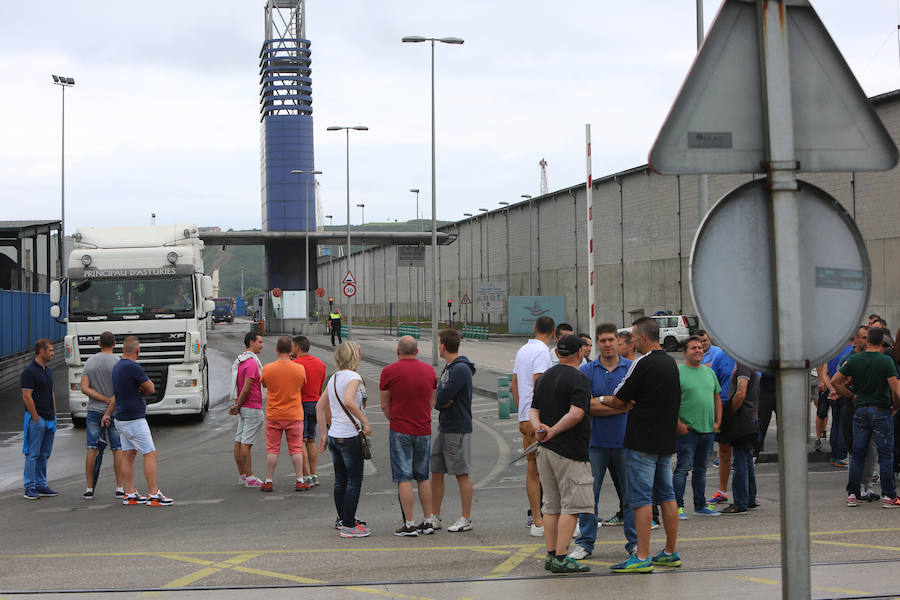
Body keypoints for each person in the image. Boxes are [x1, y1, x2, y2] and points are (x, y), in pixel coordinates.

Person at [604, 317, 682, 573]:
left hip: (641, 442)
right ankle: (670, 551)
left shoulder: (643, 363)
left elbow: (619, 398)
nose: (632, 342)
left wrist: (603, 398)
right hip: (665, 441)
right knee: (667, 496)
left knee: (640, 500)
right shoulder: (671, 363)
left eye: (634, 338)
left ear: (644, 338)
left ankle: (642, 556)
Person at [569, 323, 635, 561]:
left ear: (618, 341)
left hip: (625, 442)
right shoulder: (587, 372)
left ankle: (634, 544)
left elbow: (633, 403)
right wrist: (618, 403)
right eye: (603, 340)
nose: (607, 344)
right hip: (595, 443)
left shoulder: (631, 369)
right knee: (589, 497)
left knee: (630, 496)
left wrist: (602, 402)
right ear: (597, 343)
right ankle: (585, 543)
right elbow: (587, 407)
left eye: (611, 340)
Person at [530, 334, 593, 573]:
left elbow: (532, 410)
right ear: (579, 354)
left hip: (545, 450)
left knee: (551, 505)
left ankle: (550, 553)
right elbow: (577, 413)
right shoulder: (580, 378)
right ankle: (562, 555)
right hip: (571, 451)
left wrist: (540, 429)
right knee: (572, 506)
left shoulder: (545, 378)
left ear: (557, 354)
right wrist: (554, 431)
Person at [832, 327, 900, 507]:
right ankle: (888, 496)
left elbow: (835, 381)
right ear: (882, 343)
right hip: (881, 409)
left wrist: (851, 396)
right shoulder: (886, 362)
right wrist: (896, 406)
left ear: (868, 341)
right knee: (885, 455)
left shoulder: (855, 359)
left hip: (860, 409)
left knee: (857, 453)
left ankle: (853, 494)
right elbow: (895, 389)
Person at [380, 336, 438, 536]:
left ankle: (410, 523)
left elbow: (384, 404)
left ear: (398, 351)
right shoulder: (430, 371)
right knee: (423, 477)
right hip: (424, 429)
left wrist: (394, 419)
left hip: (400, 429)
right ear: (417, 351)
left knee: (404, 477)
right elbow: (432, 401)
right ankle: (428, 520)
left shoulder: (389, 372)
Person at [106, 335, 172, 506]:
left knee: (128, 454)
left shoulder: (118, 367)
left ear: (122, 350)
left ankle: (129, 493)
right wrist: (141, 387)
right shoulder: (133, 367)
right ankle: (153, 494)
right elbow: (150, 388)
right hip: (134, 417)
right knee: (150, 453)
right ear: (137, 351)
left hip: (121, 417)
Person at [317, 341, 372, 537]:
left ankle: (343, 519)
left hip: (334, 435)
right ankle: (349, 525)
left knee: (340, 480)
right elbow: (349, 401)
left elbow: (319, 407)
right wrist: (365, 421)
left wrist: (324, 433)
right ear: (353, 356)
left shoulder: (334, 378)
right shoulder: (353, 376)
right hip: (349, 435)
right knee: (354, 481)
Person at [510, 315, 555, 537]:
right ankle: (540, 520)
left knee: (532, 471)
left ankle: (537, 518)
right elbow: (540, 383)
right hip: (539, 418)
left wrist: (523, 412)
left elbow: (514, 385)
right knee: (545, 471)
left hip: (525, 418)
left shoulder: (522, 351)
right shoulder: (542, 353)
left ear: (535, 328)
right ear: (554, 334)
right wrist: (539, 415)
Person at [431, 329, 476, 533]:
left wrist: (441, 400)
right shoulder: (450, 368)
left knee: (461, 473)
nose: (437, 345)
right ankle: (435, 516)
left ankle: (466, 518)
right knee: (437, 471)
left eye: (438, 342)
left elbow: (441, 397)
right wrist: (441, 400)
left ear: (443, 345)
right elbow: (440, 396)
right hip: (445, 425)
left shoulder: (460, 369)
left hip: (457, 427)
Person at [673, 336, 722, 519]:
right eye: (694, 348)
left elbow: (717, 397)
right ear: (685, 352)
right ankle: (678, 507)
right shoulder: (678, 373)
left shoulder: (709, 373)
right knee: (682, 470)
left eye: (701, 348)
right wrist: (678, 423)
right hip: (687, 431)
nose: (698, 350)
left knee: (701, 470)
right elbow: (671, 401)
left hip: (707, 430)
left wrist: (718, 422)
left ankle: (700, 506)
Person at [259, 336, 307, 492]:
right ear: (291, 350)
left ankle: (268, 480)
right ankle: (300, 480)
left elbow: (265, 384)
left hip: (274, 414)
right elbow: (301, 385)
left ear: (277, 349)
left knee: (272, 450)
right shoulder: (299, 368)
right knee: (296, 449)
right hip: (294, 414)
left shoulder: (268, 368)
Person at [80, 331, 125, 499]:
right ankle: (119, 487)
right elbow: (121, 389)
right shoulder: (119, 363)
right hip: (115, 411)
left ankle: (89, 488)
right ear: (114, 344)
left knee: (92, 448)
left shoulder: (90, 363)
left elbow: (84, 388)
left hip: (94, 410)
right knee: (117, 448)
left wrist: (102, 399)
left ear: (99, 343)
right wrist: (110, 400)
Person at [696, 330, 736, 505]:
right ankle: (723, 491)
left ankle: (749, 495)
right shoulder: (721, 356)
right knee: (725, 451)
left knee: (745, 454)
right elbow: (714, 382)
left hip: (744, 410)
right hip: (725, 407)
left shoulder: (747, 358)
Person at [719, 363, 759, 514]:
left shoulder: (743, 364)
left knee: (740, 459)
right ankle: (749, 498)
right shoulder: (749, 362)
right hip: (749, 416)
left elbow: (741, 393)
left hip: (743, 417)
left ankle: (740, 501)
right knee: (746, 458)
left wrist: (728, 413)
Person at [21, 339, 58, 500]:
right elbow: (26, 396)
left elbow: (51, 392)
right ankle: (29, 487)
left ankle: (41, 484)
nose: (53, 353)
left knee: (45, 454)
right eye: (50, 350)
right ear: (41, 352)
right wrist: (35, 417)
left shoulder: (47, 371)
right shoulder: (29, 371)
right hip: (37, 419)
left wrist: (54, 415)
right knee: (33, 454)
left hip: (50, 418)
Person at [229, 332, 265, 488]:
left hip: (244, 406)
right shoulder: (251, 363)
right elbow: (246, 388)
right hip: (251, 406)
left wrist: (238, 406)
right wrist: (238, 406)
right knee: (246, 444)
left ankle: (243, 475)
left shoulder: (241, 361)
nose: (262, 345)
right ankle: (250, 477)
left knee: (239, 441)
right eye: (260, 342)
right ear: (251, 342)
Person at [293, 335, 327, 487]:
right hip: (316, 403)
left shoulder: (296, 364)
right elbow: (321, 385)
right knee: (311, 440)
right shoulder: (320, 363)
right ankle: (314, 474)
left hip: (301, 404)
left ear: (297, 348)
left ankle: (306, 476)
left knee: (301, 441)